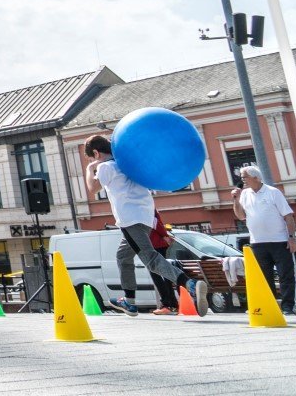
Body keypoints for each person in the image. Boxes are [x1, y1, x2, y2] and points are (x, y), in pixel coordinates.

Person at [83, 133, 208, 316]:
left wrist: (89, 169)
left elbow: (92, 189)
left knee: (150, 259)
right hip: (145, 216)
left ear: (96, 153)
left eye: (92, 157)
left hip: (130, 218)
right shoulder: (128, 164)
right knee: (123, 256)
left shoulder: (105, 167)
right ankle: (130, 302)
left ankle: (190, 283)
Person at [232, 163, 296, 314]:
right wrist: (236, 200)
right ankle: (269, 307)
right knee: (264, 278)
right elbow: (241, 216)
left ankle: (288, 307)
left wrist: (291, 238)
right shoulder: (244, 194)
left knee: (285, 275)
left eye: (245, 177)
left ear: (256, 177)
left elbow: (288, 216)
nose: (243, 180)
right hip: (258, 242)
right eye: (242, 177)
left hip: (280, 241)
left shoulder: (273, 192)